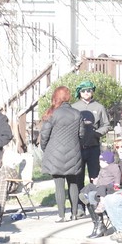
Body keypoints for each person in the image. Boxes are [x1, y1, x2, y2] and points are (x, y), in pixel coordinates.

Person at [39, 85, 85, 223]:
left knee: (59, 185)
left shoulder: (53, 114)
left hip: (55, 154)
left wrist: (46, 149)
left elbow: (44, 135)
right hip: (74, 153)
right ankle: (75, 213)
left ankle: (61, 216)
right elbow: (81, 134)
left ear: (56, 97)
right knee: (73, 184)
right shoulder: (77, 113)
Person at [71, 80, 110, 185]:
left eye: (89, 90)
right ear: (79, 92)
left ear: (92, 91)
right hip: (78, 148)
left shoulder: (99, 107)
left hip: (93, 147)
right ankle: (79, 199)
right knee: (78, 177)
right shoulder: (74, 107)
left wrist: (97, 133)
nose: (86, 93)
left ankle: (94, 198)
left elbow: (106, 124)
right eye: (83, 91)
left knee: (95, 176)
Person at [80, 149, 122, 238]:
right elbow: (99, 178)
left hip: (108, 188)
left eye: (102, 161)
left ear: (107, 161)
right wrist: (95, 181)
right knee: (89, 187)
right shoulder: (102, 169)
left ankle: (99, 223)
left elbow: (117, 176)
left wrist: (117, 184)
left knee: (96, 192)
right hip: (100, 186)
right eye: (100, 161)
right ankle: (84, 196)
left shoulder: (113, 167)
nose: (100, 163)